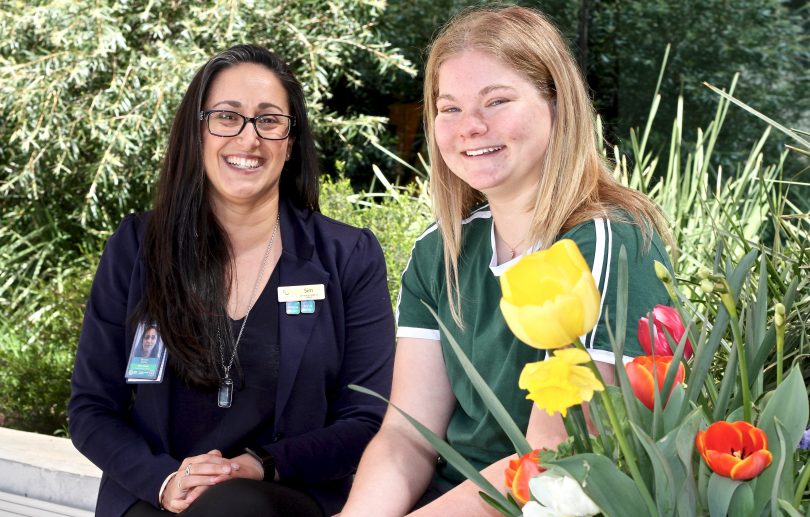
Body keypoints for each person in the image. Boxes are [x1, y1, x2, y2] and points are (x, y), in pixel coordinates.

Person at [340, 6, 674, 517]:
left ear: (557, 105)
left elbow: (554, 460)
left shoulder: (610, 240)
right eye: (448, 108)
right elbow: (407, 435)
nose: (470, 126)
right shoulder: (441, 250)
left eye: (497, 101)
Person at [68, 44, 395, 517]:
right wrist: (165, 481)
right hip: (155, 495)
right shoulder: (137, 248)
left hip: (283, 495)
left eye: (269, 120)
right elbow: (92, 408)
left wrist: (258, 465)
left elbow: (367, 418)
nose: (248, 139)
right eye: (226, 116)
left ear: (291, 140)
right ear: (196, 132)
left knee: (235, 507)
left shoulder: (347, 256)